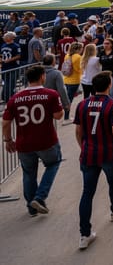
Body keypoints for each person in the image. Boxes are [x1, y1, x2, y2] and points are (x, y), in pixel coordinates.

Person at [74, 71, 113, 250]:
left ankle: (84, 234)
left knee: (87, 192)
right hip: (108, 153)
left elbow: (78, 131)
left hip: (89, 153)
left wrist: (82, 148)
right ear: (109, 85)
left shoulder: (82, 104)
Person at [2, 65, 64, 217]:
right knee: (53, 164)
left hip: (24, 142)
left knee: (29, 173)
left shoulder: (15, 98)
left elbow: (5, 122)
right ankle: (40, 196)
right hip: (46, 140)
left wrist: (8, 139)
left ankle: (31, 207)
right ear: (43, 76)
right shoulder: (50, 94)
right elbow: (58, 115)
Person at [63, 42, 84, 121]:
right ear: (78, 49)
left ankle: (66, 115)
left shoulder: (67, 55)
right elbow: (79, 69)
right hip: (74, 80)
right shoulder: (78, 57)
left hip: (66, 79)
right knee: (69, 99)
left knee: (68, 98)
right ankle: (66, 117)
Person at [1, 31, 22, 102]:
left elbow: (18, 56)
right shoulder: (3, 45)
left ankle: (9, 97)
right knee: (5, 83)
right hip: (4, 67)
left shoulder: (16, 46)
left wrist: (9, 60)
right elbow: (1, 55)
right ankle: (4, 97)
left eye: (5, 36)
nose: (4, 38)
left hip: (13, 67)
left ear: (10, 38)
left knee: (11, 83)